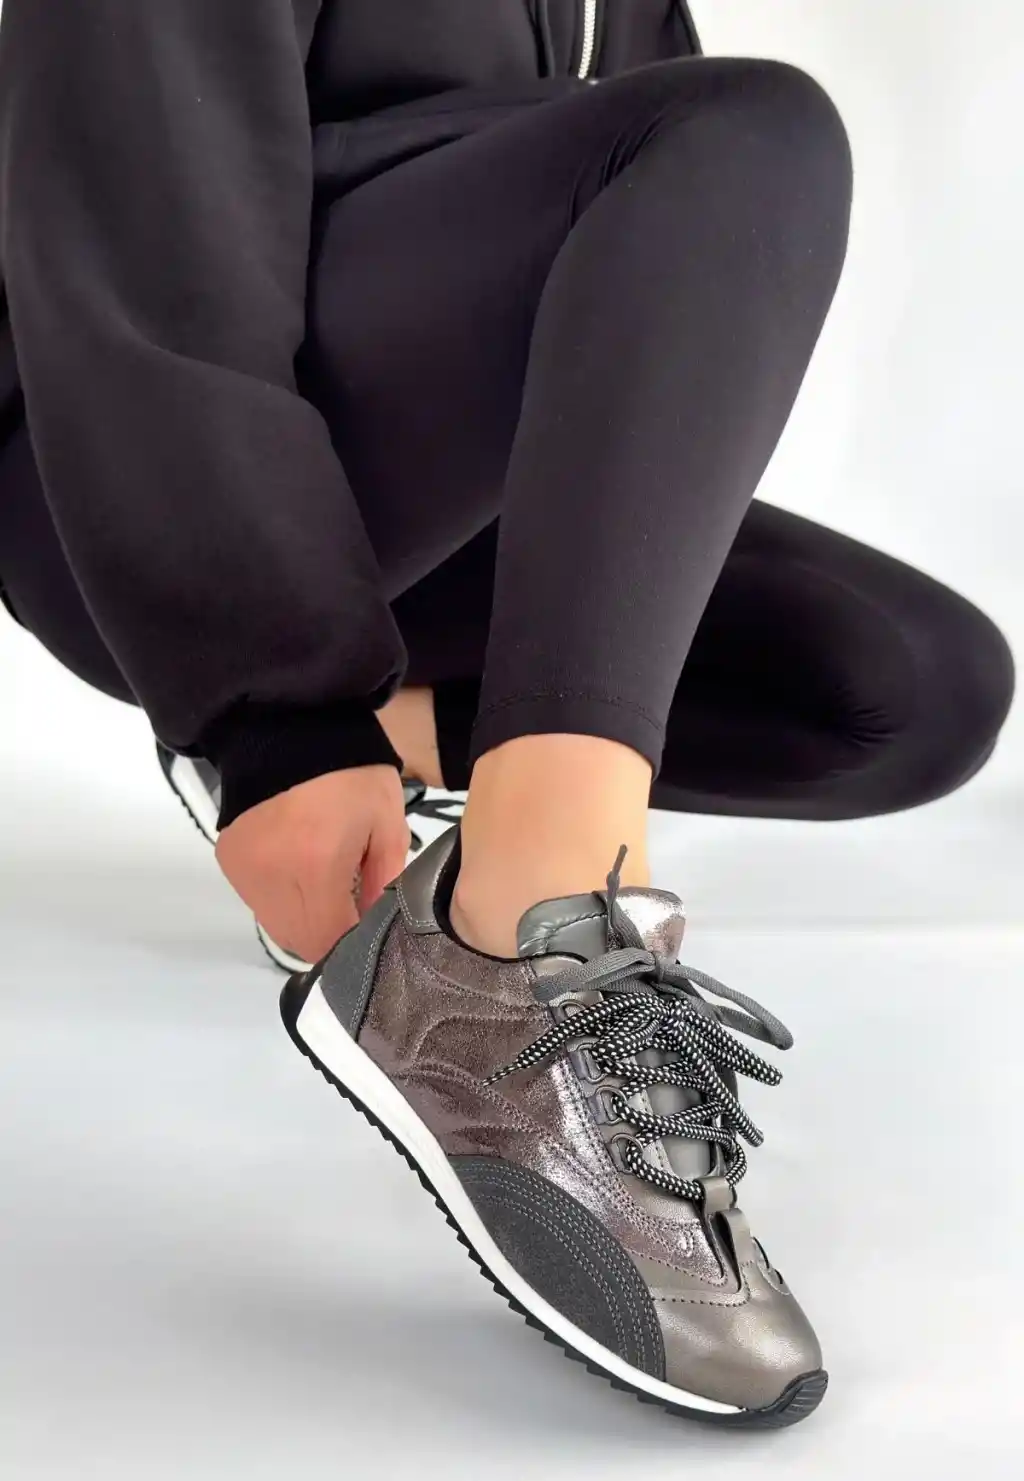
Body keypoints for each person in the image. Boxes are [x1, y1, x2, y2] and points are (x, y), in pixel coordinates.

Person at [0, 0, 1013, 1428]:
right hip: (134, 451)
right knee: (748, 129)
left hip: (407, 496)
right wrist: (273, 718)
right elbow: (142, 232)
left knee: (912, 689)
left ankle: (417, 742)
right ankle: (512, 944)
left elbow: (658, 284)